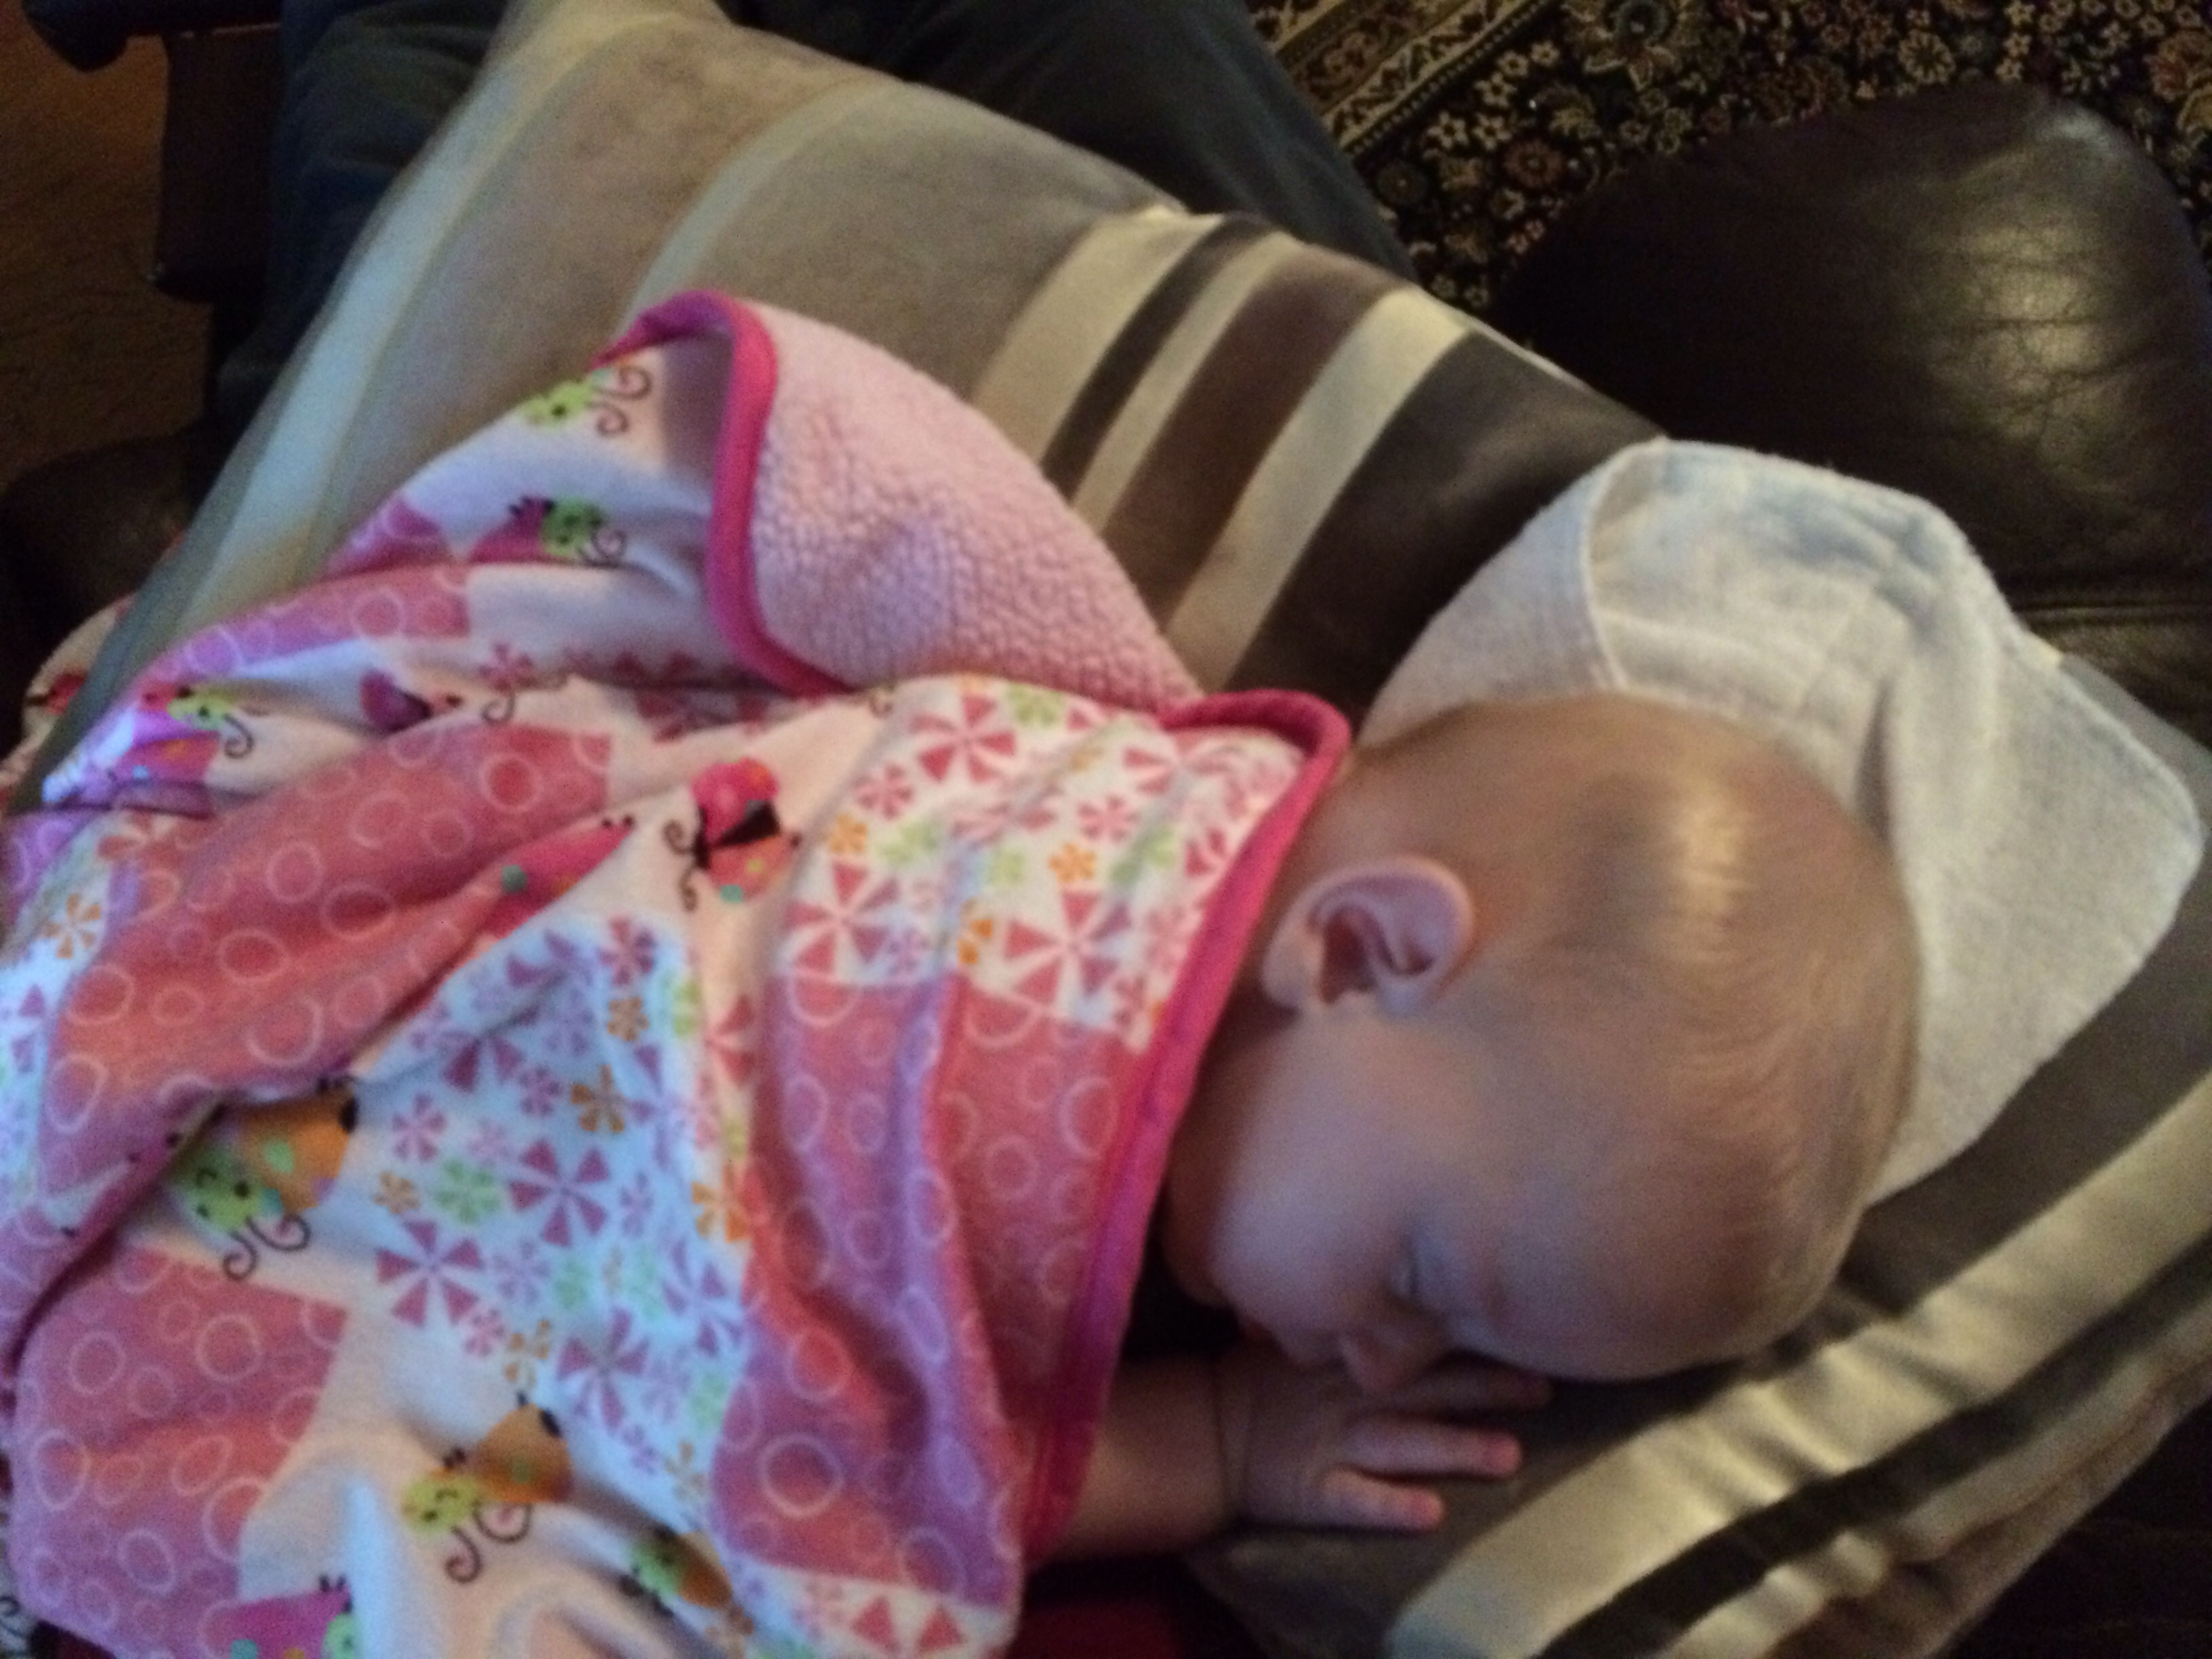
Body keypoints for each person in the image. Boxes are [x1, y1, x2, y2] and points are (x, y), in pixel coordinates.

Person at [0, 291, 1913, 1656]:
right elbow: (840, 1434)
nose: (1390, 1359)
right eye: (1421, 1282)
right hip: (504, 1046)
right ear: (1361, 949)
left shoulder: (1211, 1138)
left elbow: (914, 1419)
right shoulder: (1055, 812)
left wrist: (1232, 1439)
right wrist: (1216, 1442)